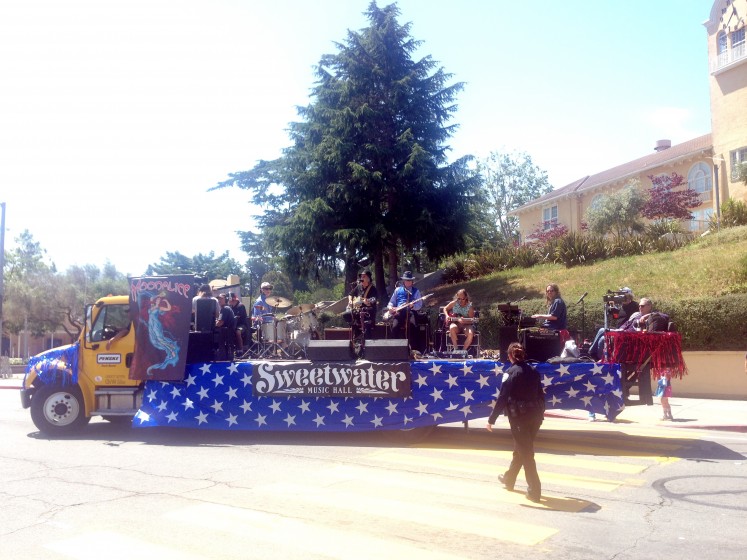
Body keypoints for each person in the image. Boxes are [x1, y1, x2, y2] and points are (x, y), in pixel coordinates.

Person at [486, 342, 545, 503]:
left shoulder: (510, 373)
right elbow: (541, 395)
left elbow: (502, 398)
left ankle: (534, 491)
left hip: (519, 419)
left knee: (526, 453)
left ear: (510, 356)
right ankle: (509, 479)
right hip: (535, 418)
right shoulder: (534, 371)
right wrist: (540, 414)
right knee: (521, 449)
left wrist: (492, 419)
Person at [386, 271, 423, 341]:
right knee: (394, 327)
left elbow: (419, 305)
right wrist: (390, 308)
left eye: (410, 280)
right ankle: (396, 347)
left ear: (412, 281)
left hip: (411, 312)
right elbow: (391, 302)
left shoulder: (416, 291)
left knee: (413, 326)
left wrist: (413, 306)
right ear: (404, 281)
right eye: (407, 280)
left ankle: (412, 349)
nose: (409, 282)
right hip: (399, 312)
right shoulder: (397, 290)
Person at [346, 270, 378, 341]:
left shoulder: (373, 289)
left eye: (364, 276)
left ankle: (367, 343)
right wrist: (350, 301)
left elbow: (373, 300)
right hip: (358, 311)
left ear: (368, 278)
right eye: (361, 276)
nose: (361, 278)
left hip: (368, 312)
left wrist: (367, 302)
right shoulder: (358, 287)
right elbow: (350, 294)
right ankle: (356, 337)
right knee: (348, 316)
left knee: (367, 326)